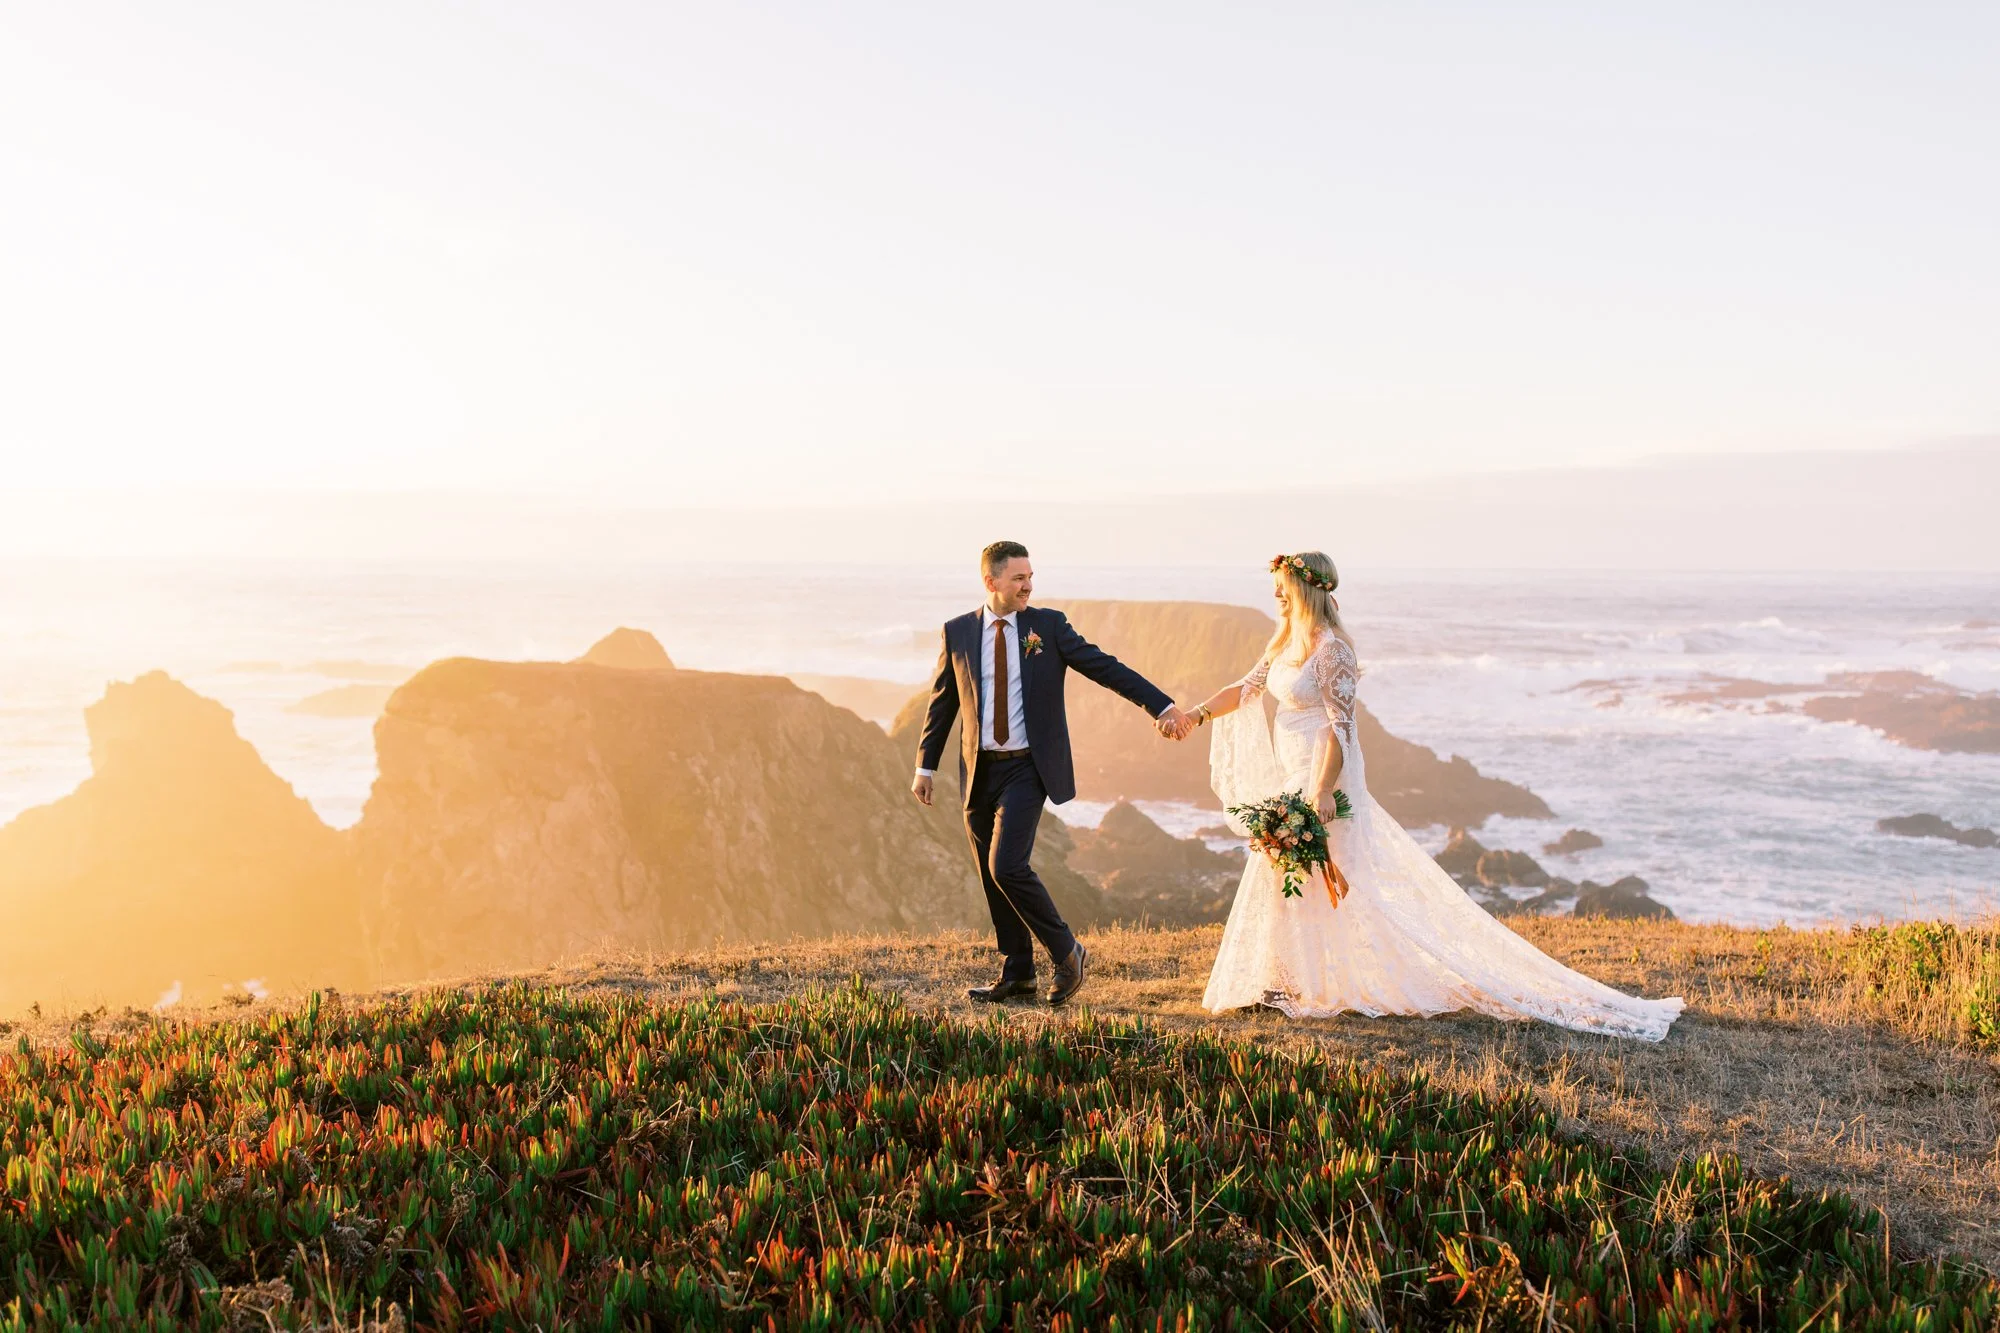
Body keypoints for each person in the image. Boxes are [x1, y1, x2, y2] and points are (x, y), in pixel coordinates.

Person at [1178, 550, 1683, 1040]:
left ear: (1308, 589)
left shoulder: (1333, 650)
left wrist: (1323, 790)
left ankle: (1300, 983)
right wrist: (1194, 715)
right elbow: (1243, 690)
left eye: (1284, 590)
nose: (1277, 597)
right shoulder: (1282, 644)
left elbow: (1340, 726)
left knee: (1327, 878)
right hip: (1289, 773)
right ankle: (1282, 983)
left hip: (1318, 776)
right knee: (1284, 874)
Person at [913, 540, 1187, 1006]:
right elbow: (944, 703)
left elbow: (1104, 668)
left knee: (1008, 866)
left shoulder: (1048, 626)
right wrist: (926, 766)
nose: (1028, 585)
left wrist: (1160, 704)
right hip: (978, 772)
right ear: (991, 581)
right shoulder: (958, 631)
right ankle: (1018, 973)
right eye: (1018, 578)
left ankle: (1067, 951)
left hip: (1029, 768)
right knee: (990, 872)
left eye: (1030, 576)